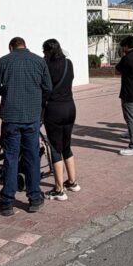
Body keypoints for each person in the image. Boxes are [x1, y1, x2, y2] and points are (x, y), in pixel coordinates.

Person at [0, 37, 53, 216]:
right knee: (32, 156)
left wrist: (6, 90)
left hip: (11, 117)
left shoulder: (4, 61)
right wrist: (35, 97)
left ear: (11, 47)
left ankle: (7, 202)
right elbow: (48, 87)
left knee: (10, 157)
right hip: (32, 117)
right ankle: (34, 198)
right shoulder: (38, 61)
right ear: (25, 45)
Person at [41, 39, 79, 201]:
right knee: (66, 146)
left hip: (54, 109)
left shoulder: (46, 66)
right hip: (70, 107)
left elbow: (43, 87)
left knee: (55, 148)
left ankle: (59, 189)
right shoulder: (68, 63)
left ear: (47, 52)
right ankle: (72, 181)